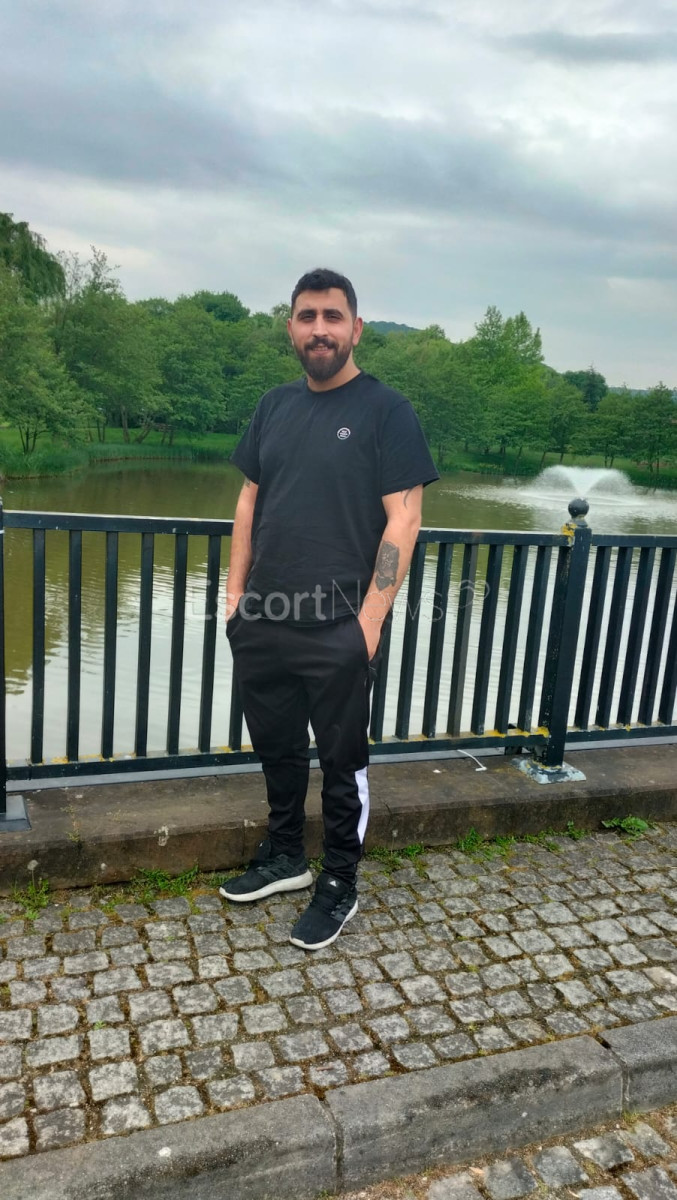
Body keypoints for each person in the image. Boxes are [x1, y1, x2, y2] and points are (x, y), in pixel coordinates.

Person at [220, 267, 439, 949]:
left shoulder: (386, 410)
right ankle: (286, 855)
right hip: (264, 619)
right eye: (307, 316)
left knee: (343, 765)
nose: (320, 329)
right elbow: (249, 502)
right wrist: (234, 600)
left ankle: (340, 879)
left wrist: (369, 624)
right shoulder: (273, 407)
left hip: (339, 626)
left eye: (332, 316)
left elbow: (404, 520)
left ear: (356, 329)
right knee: (277, 749)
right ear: (291, 327)